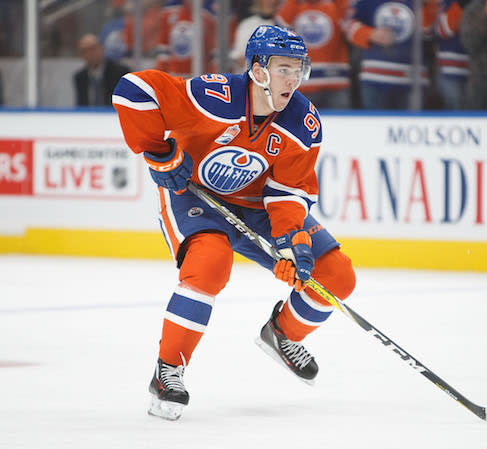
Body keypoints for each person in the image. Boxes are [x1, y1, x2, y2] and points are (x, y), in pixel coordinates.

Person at [112, 25, 356, 420]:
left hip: (259, 206)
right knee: (210, 263)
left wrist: (293, 242)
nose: (292, 80)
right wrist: (158, 153)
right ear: (258, 69)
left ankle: (282, 335)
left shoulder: (303, 122)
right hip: (193, 194)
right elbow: (133, 90)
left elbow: (288, 192)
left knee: (336, 276)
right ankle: (168, 370)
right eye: (283, 69)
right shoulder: (215, 97)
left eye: (298, 70)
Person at [345, 0, 439, 110]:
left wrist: (426, 6)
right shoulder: (366, 2)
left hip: (413, 82)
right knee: (375, 125)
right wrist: (370, 34)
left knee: (408, 125)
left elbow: (428, 33)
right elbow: (348, 27)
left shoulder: (420, 2)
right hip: (375, 80)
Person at [275, 0, 353, 109]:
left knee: (341, 125)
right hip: (302, 86)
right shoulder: (294, 6)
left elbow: (351, 26)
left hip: (336, 83)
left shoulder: (336, 5)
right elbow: (278, 32)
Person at [73, 33, 130, 106]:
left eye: (92, 49)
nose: (89, 54)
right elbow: (81, 104)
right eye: (84, 51)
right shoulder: (80, 77)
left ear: (101, 48)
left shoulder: (120, 73)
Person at [434, 0, 470, 109]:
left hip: (478, 70)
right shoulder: (446, 3)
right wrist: (460, 5)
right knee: (455, 112)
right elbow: (443, 30)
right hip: (450, 69)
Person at [230, 0, 280, 73]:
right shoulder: (247, 24)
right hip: (249, 75)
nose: (270, 2)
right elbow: (238, 56)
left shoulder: (282, 25)